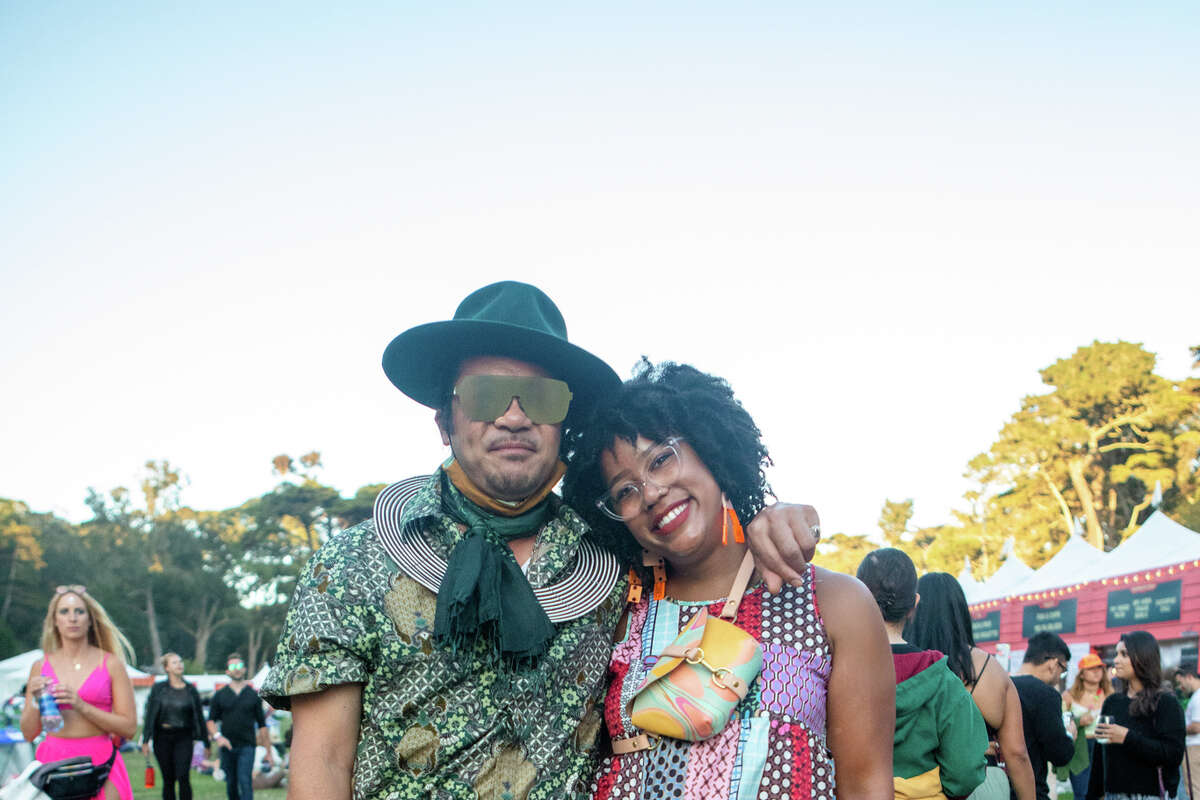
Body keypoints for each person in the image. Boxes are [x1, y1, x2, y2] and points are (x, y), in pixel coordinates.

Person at [262, 281, 821, 799]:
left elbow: (696, 539)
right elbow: (324, 763)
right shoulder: (350, 565)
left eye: (541, 398)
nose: (513, 416)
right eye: (485, 395)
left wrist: (766, 515)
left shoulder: (613, 562)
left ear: (564, 424)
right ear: (444, 421)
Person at [561, 361, 895, 799]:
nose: (651, 493)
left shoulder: (833, 603)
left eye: (660, 460)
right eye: (625, 490)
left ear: (711, 449)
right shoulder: (618, 615)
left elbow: (866, 783)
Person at [856, 547, 987, 799]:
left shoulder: (837, 670)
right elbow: (966, 770)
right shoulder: (941, 679)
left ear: (859, 600)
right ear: (914, 605)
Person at [906, 572, 1036, 800]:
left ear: (914, 610)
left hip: (917, 785)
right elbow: (1016, 753)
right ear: (961, 612)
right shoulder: (989, 668)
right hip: (982, 785)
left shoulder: (901, 665)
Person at [20, 584, 138, 800]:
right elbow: (29, 733)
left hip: (101, 765)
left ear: (90, 619)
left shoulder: (111, 664)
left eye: (79, 611)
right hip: (53, 765)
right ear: (55, 621)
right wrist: (35, 701)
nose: (72, 618)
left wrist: (81, 705)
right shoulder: (40, 666)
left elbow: (129, 728)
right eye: (64, 612)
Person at [1087, 631, 1187, 800]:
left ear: (1143, 658)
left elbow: (1173, 754)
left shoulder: (1165, 702)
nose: (1116, 660)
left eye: (1124, 654)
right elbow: (1099, 757)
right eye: (1117, 654)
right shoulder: (1112, 702)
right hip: (1114, 794)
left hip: (1152, 794)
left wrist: (1127, 738)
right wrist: (1092, 795)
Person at [1010, 632, 1076, 800]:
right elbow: (1060, 754)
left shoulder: (1000, 685)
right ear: (1054, 664)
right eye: (1063, 671)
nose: (1059, 679)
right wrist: (1069, 735)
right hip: (1031, 791)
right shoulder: (1045, 694)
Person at [142, 652, 209, 800]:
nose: (179, 664)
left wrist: (206, 742)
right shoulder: (158, 689)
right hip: (162, 737)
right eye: (174, 662)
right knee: (168, 779)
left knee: (183, 776)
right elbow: (150, 715)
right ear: (166, 668)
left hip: (184, 737)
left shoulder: (191, 690)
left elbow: (199, 717)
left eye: (180, 662)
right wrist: (146, 740)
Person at [208, 654, 272, 800]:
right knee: (231, 784)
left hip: (247, 746)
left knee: (245, 781)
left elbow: (262, 725)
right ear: (227, 671)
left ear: (244, 669)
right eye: (232, 667)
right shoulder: (220, 695)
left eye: (239, 666)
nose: (236, 670)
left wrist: (268, 752)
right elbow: (210, 721)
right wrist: (218, 737)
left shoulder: (253, 696)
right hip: (227, 747)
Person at [1058, 653, 1112, 800]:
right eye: (1091, 668)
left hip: (1103, 745)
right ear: (1081, 674)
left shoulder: (1109, 694)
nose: (1096, 672)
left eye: (1099, 668)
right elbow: (1061, 721)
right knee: (1082, 792)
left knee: (1104, 791)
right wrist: (1078, 721)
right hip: (1080, 748)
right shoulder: (1068, 696)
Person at [1179, 665, 1200, 800]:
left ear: (1189, 677)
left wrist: (1178, 728)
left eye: (1181, 682)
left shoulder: (1197, 698)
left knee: (1194, 789)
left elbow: (1197, 726)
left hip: (1194, 748)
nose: (1181, 686)